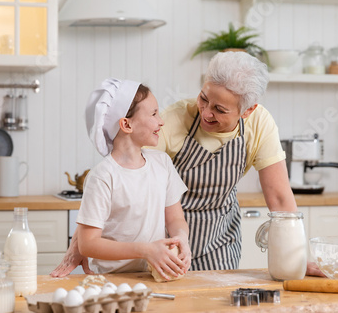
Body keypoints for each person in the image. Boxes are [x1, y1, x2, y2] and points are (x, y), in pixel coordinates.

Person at [51, 52, 323, 277]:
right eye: (204, 98)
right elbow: (124, 164)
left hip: (220, 237)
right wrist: (81, 243)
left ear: (247, 111)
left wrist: (300, 258)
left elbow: (279, 197)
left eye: (220, 109)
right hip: (168, 245)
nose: (206, 112)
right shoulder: (175, 120)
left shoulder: (260, 124)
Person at [55, 78, 191, 280]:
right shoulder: (103, 176)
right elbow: (88, 244)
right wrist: (146, 250)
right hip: (108, 281)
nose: (161, 121)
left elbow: (175, 218)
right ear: (126, 124)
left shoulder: (162, 163)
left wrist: (181, 239)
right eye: (154, 114)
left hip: (152, 277)